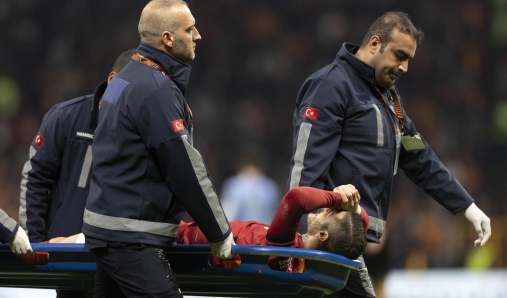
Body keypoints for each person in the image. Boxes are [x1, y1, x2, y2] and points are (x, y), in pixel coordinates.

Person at [287, 11, 491, 298]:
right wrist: (301, 236)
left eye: (408, 59)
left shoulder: (389, 99)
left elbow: (419, 157)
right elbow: (306, 165)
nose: (404, 67)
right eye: (399, 55)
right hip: (330, 243)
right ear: (374, 43)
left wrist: (467, 206)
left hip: (360, 238)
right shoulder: (330, 86)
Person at [82, 1, 233, 297]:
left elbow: (102, 130)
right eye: (190, 29)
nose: (198, 35)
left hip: (106, 229)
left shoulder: (122, 76)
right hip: (131, 235)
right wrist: (219, 233)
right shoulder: (157, 90)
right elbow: (185, 169)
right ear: (168, 38)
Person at [19, 48, 137, 298]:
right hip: (68, 256)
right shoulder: (66, 117)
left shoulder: (140, 129)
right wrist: (37, 244)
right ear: (113, 81)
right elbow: (35, 180)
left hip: (119, 257)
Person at [49, 185, 367, 271]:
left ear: (322, 235)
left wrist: (339, 196)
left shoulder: (284, 248)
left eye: (331, 213)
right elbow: (359, 228)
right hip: (174, 238)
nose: (327, 208)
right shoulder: (297, 262)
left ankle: (37, 250)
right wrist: (352, 210)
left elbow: (297, 197)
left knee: (72, 241)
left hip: (168, 239)